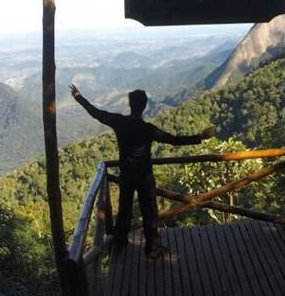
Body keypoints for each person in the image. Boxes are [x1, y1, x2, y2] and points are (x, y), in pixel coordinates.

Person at [70, 84, 215, 259]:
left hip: (126, 176)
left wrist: (79, 97)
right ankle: (152, 247)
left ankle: (120, 244)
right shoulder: (148, 129)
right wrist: (199, 137)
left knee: (124, 210)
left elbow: (96, 113)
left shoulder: (120, 122)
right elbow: (174, 140)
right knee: (149, 211)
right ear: (144, 106)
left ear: (130, 105)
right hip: (145, 176)